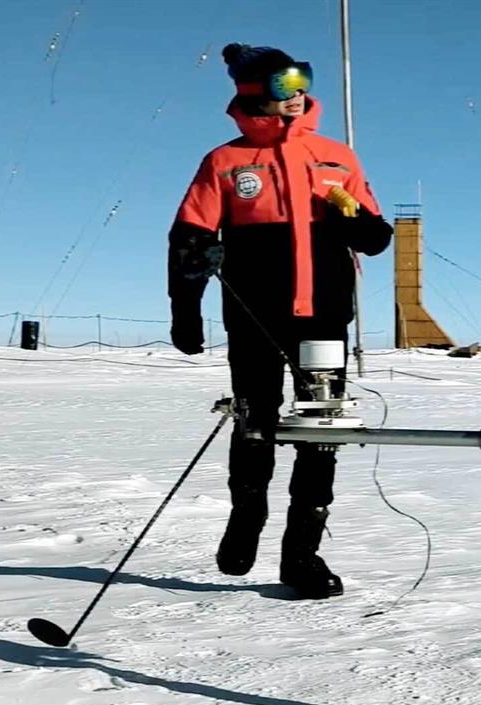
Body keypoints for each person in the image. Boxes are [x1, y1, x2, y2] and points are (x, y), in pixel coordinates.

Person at [167, 43, 392, 599]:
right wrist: (186, 311)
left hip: (324, 318)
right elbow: (189, 238)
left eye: (302, 81)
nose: (296, 96)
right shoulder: (225, 161)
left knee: (321, 431)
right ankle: (247, 516)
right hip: (253, 317)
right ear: (252, 92)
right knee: (254, 421)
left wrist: (352, 219)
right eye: (283, 85)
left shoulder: (337, 157)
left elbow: (376, 237)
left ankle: (302, 555)